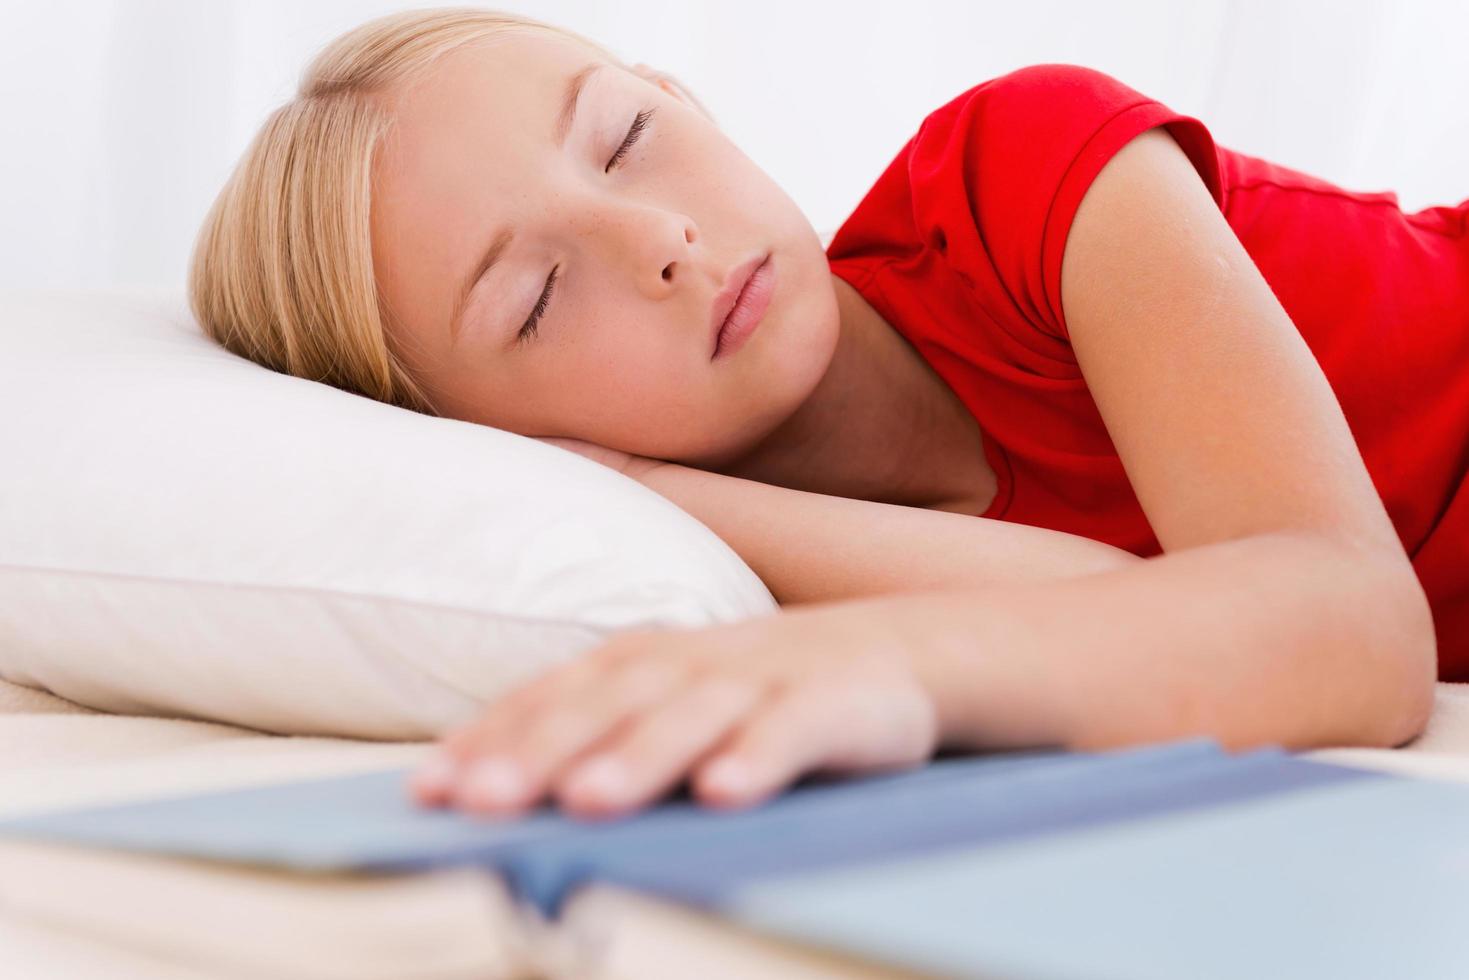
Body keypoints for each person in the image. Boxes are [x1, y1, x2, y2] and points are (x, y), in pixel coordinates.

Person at [189, 6, 1467, 822]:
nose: (661, 240)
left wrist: (890, 666)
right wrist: (652, 496)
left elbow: (1340, 620)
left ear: (682, 95)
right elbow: (1133, 596)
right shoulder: (711, 567)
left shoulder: (1017, 172)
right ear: (490, 442)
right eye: (536, 299)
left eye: (626, 137)